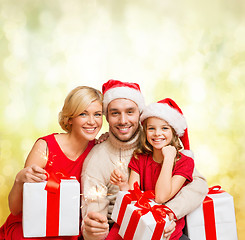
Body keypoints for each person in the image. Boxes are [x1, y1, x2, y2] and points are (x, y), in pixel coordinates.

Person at [81, 79, 208, 240]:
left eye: (130, 112)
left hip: (167, 223)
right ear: (107, 116)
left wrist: (167, 214)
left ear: (140, 114)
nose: (123, 120)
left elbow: (199, 185)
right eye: (115, 113)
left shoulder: (156, 142)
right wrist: (94, 229)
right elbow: (96, 214)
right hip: (122, 225)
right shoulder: (98, 158)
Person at [0, 86, 103, 240]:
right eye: (83, 114)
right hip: (29, 230)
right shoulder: (45, 147)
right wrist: (19, 179)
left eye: (97, 114)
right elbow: (15, 210)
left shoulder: (99, 150)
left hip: (67, 232)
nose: (92, 121)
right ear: (70, 118)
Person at [110, 98, 194, 240]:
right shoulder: (139, 158)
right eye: (151, 128)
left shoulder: (185, 163)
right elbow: (132, 199)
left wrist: (168, 159)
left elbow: (161, 197)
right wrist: (123, 185)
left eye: (164, 128)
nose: (157, 133)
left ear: (174, 132)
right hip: (140, 223)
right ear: (145, 131)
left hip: (168, 229)